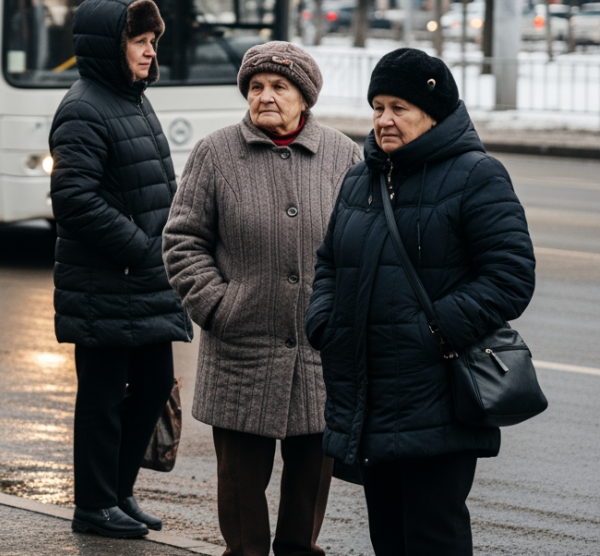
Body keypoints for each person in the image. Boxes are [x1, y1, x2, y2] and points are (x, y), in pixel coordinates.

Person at [305, 48, 535, 556]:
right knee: (387, 537)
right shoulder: (363, 176)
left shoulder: (477, 175)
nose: (384, 120)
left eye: (399, 108)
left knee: (433, 538)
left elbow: (511, 276)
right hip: (370, 395)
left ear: (434, 114)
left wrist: (432, 333)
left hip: (436, 394)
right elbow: (329, 261)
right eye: (378, 106)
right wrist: (325, 321)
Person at [163, 42, 360, 556]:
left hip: (318, 356)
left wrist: (342, 316)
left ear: (305, 97)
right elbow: (182, 240)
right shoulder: (215, 152)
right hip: (241, 350)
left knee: (309, 486)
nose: (265, 96)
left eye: (279, 87)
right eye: (256, 87)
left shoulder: (344, 154)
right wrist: (218, 306)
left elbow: (362, 245)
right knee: (241, 492)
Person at [48, 0, 193, 539]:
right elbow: (74, 200)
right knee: (104, 398)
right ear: (110, 45)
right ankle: (93, 504)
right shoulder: (84, 106)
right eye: (139, 42)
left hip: (147, 279)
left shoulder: (132, 98)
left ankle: (119, 489)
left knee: (154, 385)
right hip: (107, 281)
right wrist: (141, 248)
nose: (149, 52)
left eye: (153, 42)